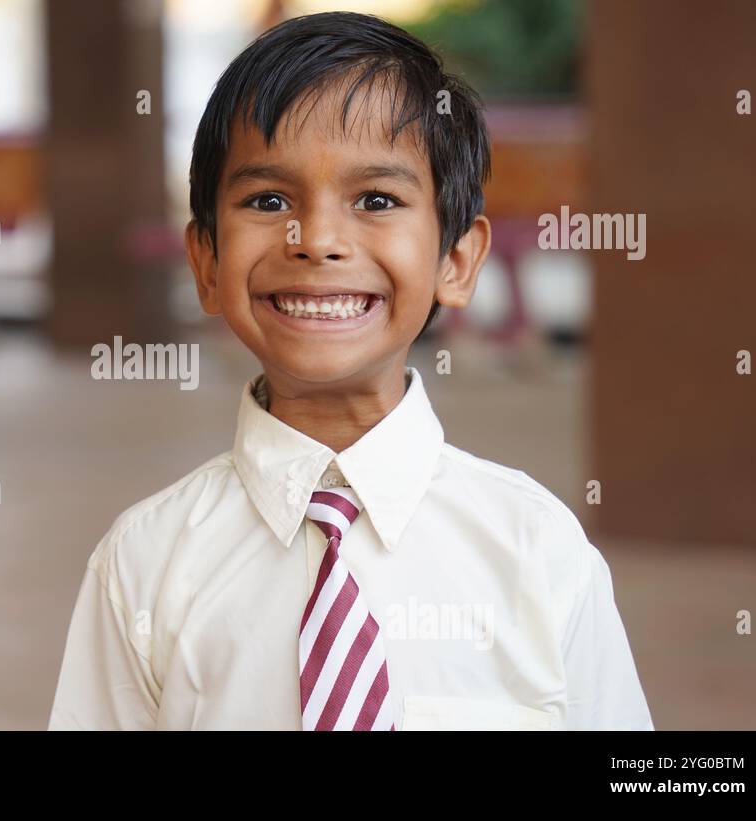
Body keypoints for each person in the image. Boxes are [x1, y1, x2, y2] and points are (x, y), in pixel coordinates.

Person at [48, 11, 653, 731]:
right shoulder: (144, 562)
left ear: (455, 261)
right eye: (269, 201)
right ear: (207, 262)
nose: (319, 240)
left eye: (377, 200)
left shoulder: (536, 549)